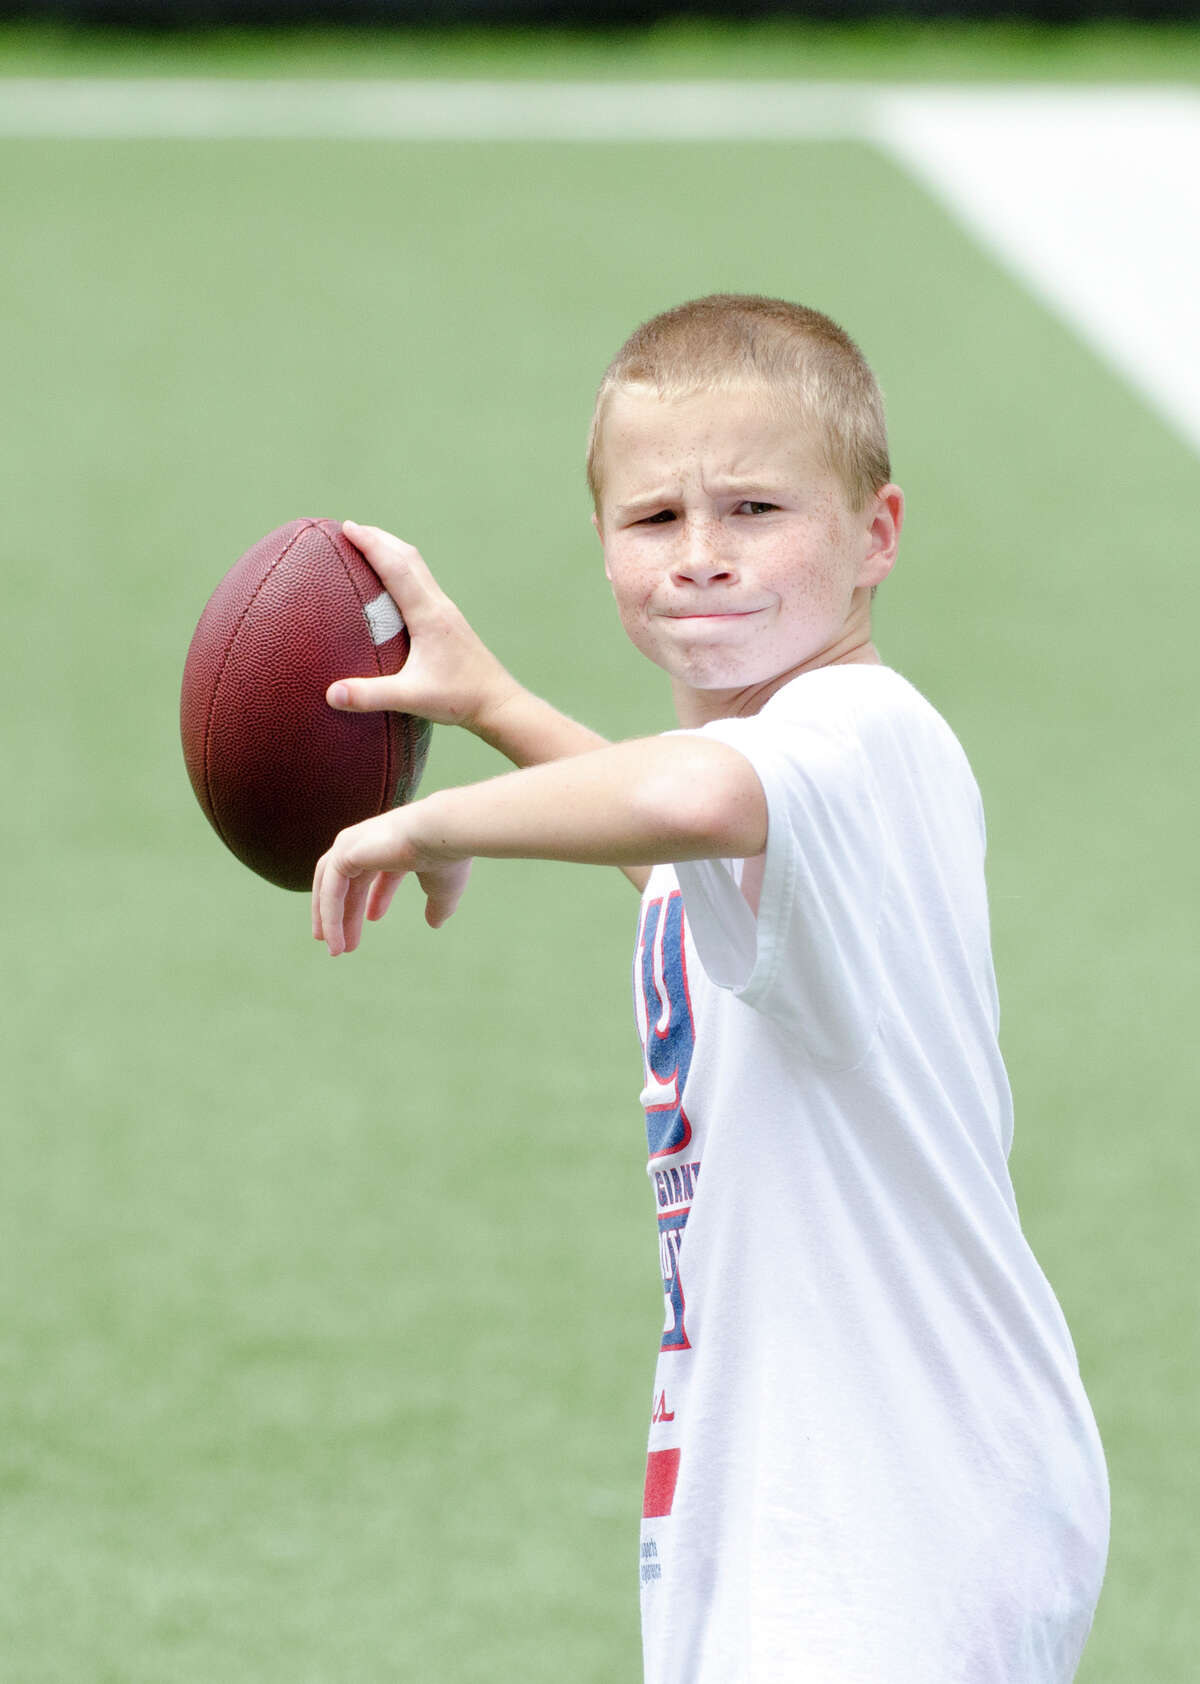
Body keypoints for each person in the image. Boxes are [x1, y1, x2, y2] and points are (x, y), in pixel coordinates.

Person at [312, 295, 1109, 1683]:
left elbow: (691, 795)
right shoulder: (766, 820)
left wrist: (438, 821)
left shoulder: (861, 737)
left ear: (877, 536)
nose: (703, 559)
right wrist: (491, 704)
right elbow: (686, 874)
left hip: (896, 1512)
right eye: (654, 521)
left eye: (754, 509)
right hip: (808, 1495)